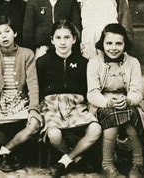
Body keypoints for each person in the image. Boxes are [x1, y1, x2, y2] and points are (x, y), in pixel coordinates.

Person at [87, 23, 144, 177]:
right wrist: (107, 102)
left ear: (125, 44)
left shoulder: (133, 63)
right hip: (102, 104)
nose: (114, 48)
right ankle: (107, 165)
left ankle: (138, 164)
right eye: (109, 43)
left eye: (119, 43)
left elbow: (137, 92)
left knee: (130, 119)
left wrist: (128, 100)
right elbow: (92, 93)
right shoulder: (94, 63)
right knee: (112, 118)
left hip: (127, 102)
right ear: (102, 44)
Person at [37, 20, 101, 176]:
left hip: (77, 105)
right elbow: (36, 90)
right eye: (58, 38)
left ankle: (65, 161)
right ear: (52, 40)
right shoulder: (42, 62)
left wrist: (92, 107)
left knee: (96, 129)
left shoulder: (84, 63)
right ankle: (77, 158)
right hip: (51, 106)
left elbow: (89, 90)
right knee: (54, 134)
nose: (63, 42)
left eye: (67, 37)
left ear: (74, 39)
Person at [0, 16, 41, 172]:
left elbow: (33, 84)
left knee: (34, 125)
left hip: (21, 101)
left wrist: (34, 109)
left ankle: (5, 151)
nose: (4, 36)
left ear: (14, 33)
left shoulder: (27, 54)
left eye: (7, 31)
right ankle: (12, 153)